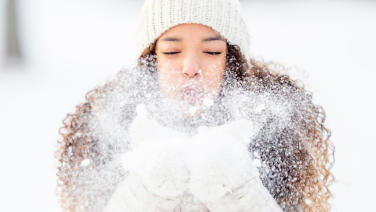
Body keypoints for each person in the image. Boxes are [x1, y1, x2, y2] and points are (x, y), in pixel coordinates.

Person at [55, 0, 334, 211]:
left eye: (212, 52)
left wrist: (240, 188)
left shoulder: (276, 138)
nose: (190, 68)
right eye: (172, 52)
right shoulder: (108, 134)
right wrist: (146, 189)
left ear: (232, 61)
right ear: (151, 60)